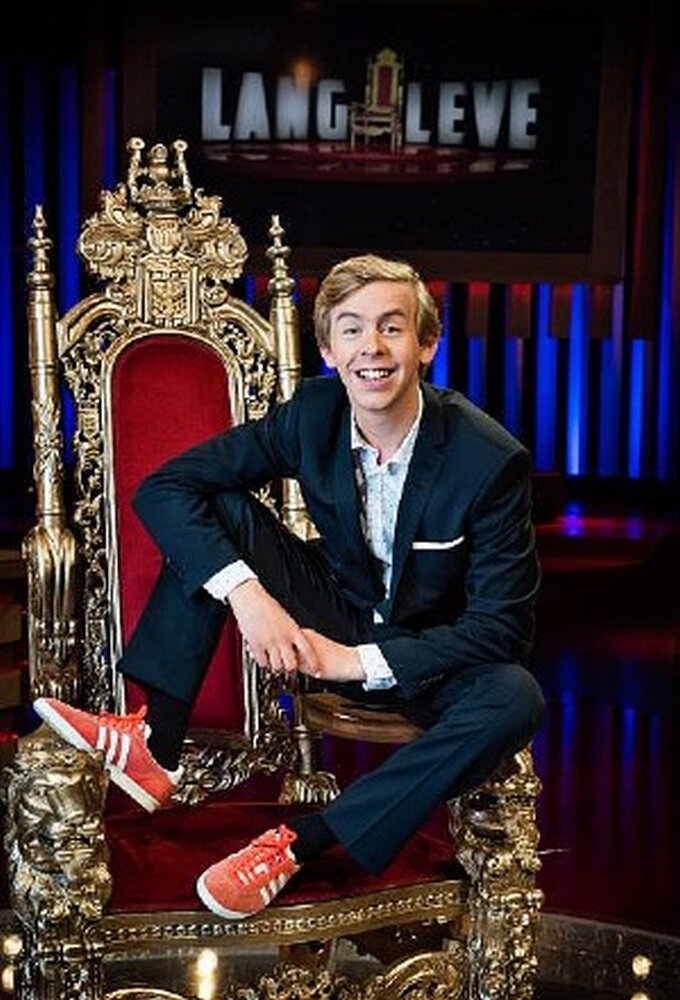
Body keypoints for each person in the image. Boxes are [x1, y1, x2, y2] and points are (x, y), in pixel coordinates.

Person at [34, 253, 545, 921]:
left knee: (515, 695)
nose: (371, 347)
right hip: (336, 612)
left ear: (426, 345)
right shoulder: (312, 414)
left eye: (392, 327)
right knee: (216, 508)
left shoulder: (488, 460)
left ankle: (301, 844)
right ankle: (156, 742)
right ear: (328, 350)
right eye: (351, 329)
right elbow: (167, 487)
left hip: (431, 660)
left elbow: (502, 628)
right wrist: (250, 598)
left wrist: (354, 661)